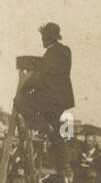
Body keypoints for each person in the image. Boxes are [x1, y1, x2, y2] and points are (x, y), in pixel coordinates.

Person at [13, 22, 75, 171]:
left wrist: (25, 89)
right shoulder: (65, 51)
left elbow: (39, 78)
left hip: (49, 98)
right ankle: (62, 164)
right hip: (61, 100)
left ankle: (43, 127)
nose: (42, 40)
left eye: (43, 37)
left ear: (47, 38)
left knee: (19, 101)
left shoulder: (51, 55)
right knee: (55, 130)